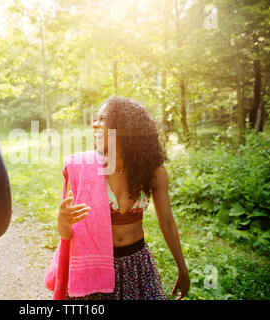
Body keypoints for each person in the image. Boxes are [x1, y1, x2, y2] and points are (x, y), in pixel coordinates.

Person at [56, 96, 190, 300]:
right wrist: (62, 220)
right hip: (96, 268)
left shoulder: (154, 173)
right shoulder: (83, 168)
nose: (94, 124)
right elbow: (66, 235)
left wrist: (183, 268)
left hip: (137, 265)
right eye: (95, 119)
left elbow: (167, 222)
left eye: (102, 119)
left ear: (122, 128)